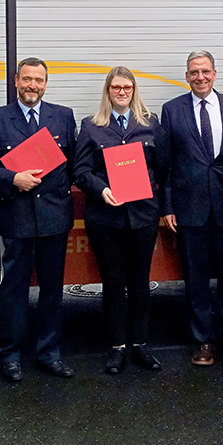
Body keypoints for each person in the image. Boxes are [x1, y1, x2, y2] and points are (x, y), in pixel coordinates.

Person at [0, 58, 77, 382]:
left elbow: (74, 163)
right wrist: (13, 179)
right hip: (16, 213)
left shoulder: (63, 117)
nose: (32, 85)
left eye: (38, 80)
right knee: (13, 290)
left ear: (46, 83)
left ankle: (49, 354)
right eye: (27, 79)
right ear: (16, 81)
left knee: (52, 290)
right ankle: (10, 355)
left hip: (53, 216)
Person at [159, 50, 223, 367]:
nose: (200, 77)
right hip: (189, 207)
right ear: (186, 77)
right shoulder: (171, 111)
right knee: (195, 279)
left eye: (205, 71)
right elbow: (167, 164)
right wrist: (167, 206)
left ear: (215, 73)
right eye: (194, 72)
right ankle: (203, 341)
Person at [74, 67, 168, 375]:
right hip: (106, 217)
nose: (122, 92)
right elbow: (81, 171)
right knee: (113, 283)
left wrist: (159, 199)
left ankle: (140, 344)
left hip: (142, 215)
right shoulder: (91, 126)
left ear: (134, 90)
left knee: (140, 282)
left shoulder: (151, 124)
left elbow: (163, 169)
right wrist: (101, 189)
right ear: (108, 91)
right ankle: (116, 347)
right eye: (116, 87)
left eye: (127, 87)